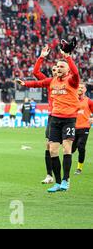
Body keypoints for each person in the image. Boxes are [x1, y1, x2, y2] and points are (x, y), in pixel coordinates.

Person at [17, 49, 80, 192]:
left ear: (68, 70)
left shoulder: (72, 81)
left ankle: (66, 180)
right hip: (55, 119)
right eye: (57, 66)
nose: (58, 68)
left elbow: (76, 73)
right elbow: (37, 83)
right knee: (52, 150)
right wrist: (24, 84)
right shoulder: (51, 81)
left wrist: (68, 57)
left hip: (69, 119)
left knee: (67, 148)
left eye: (61, 66)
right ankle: (57, 182)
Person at [32, 45, 58, 184]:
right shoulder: (49, 82)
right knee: (49, 145)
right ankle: (49, 175)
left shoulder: (69, 82)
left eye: (57, 69)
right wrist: (41, 56)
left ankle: (65, 177)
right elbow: (35, 72)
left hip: (67, 117)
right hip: (52, 117)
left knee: (69, 148)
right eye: (53, 69)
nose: (55, 71)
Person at [72, 83, 93, 175]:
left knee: (81, 146)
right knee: (71, 149)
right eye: (78, 87)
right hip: (72, 127)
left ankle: (79, 168)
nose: (80, 89)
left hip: (84, 127)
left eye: (82, 87)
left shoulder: (89, 101)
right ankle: (66, 165)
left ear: (85, 90)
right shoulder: (72, 100)